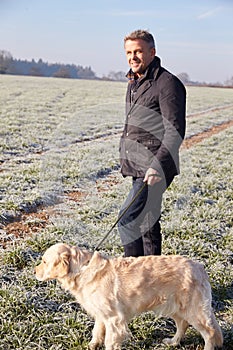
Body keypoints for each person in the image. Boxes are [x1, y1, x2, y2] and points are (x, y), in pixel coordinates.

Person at [118, 29, 186, 257]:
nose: (132, 57)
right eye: (128, 52)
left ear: (152, 52)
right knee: (146, 224)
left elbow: (174, 130)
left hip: (154, 167)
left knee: (128, 219)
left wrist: (158, 165)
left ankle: (131, 278)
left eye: (138, 51)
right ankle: (152, 281)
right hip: (138, 165)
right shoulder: (134, 81)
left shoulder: (167, 83)